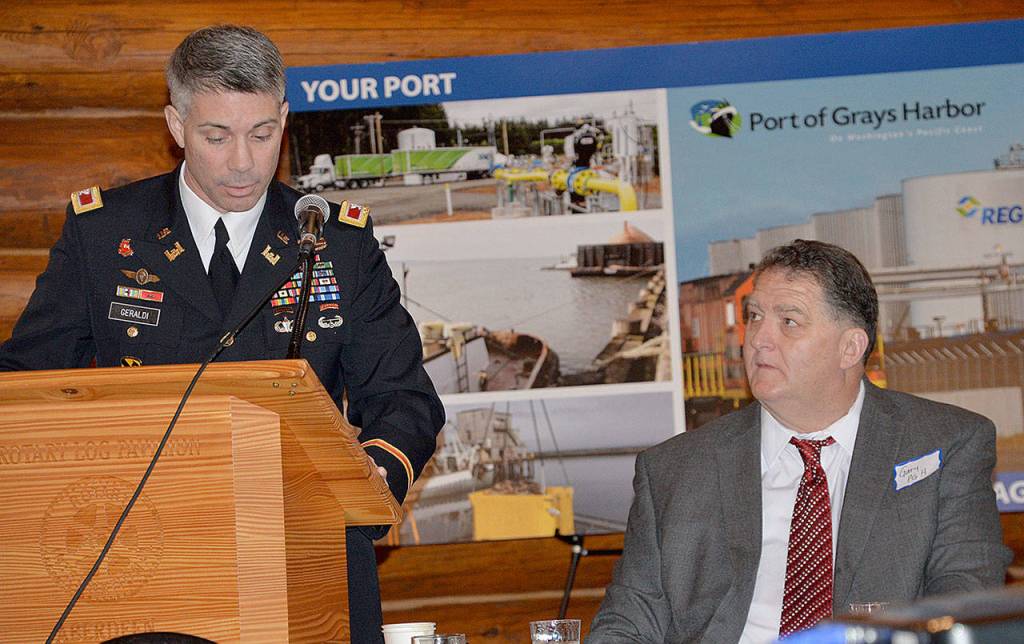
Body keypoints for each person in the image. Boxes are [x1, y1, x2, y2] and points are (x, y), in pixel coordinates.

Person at [0, 25, 444, 643]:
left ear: (284, 118)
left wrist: (357, 499)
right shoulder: (104, 235)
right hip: (140, 565)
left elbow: (403, 399)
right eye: (217, 136)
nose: (243, 161)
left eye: (262, 134)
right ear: (176, 127)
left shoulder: (335, 242)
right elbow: (26, 392)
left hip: (305, 561)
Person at [588, 240, 1010, 643]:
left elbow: (963, 604)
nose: (758, 339)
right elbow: (628, 621)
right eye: (754, 316)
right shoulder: (675, 470)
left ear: (850, 347)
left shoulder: (946, 443)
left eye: (788, 321)